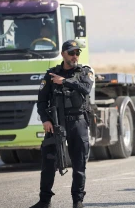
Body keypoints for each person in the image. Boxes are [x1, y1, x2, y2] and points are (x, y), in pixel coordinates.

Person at [30, 40, 94, 208]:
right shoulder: (51, 75)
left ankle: (77, 201)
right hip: (56, 123)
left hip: (77, 122)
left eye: (77, 53)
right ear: (63, 54)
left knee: (79, 164)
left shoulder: (84, 72)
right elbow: (41, 101)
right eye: (71, 53)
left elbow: (86, 89)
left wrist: (65, 82)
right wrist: (45, 119)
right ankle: (44, 201)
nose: (75, 56)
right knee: (48, 163)